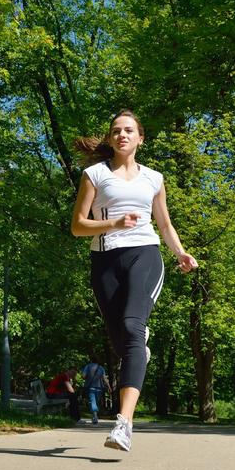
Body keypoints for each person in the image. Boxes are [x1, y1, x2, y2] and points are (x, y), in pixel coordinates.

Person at [71, 110, 198, 452]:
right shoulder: (94, 175)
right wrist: (112, 224)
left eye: (129, 130)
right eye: (116, 131)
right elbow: (78, 226)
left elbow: (165, 224)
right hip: (105, 260)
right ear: (111, 139)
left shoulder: (154, 179)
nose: (122, 135)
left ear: (141, 138)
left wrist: (180, 253)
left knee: (131, 324)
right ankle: (140, 346)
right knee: (124, 342)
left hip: (145, 254)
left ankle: (123, 424)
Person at [81, 355, 111, 426]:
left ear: (91, 360)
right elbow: (104, 378)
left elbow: (83, 376)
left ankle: (94, 416)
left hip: (90, 386)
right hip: (99, 387)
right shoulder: (101, 368)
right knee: (95, 402)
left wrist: (88, 376)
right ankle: (95, 415)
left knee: (92, 401)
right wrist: (109, 387)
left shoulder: (88, 366)